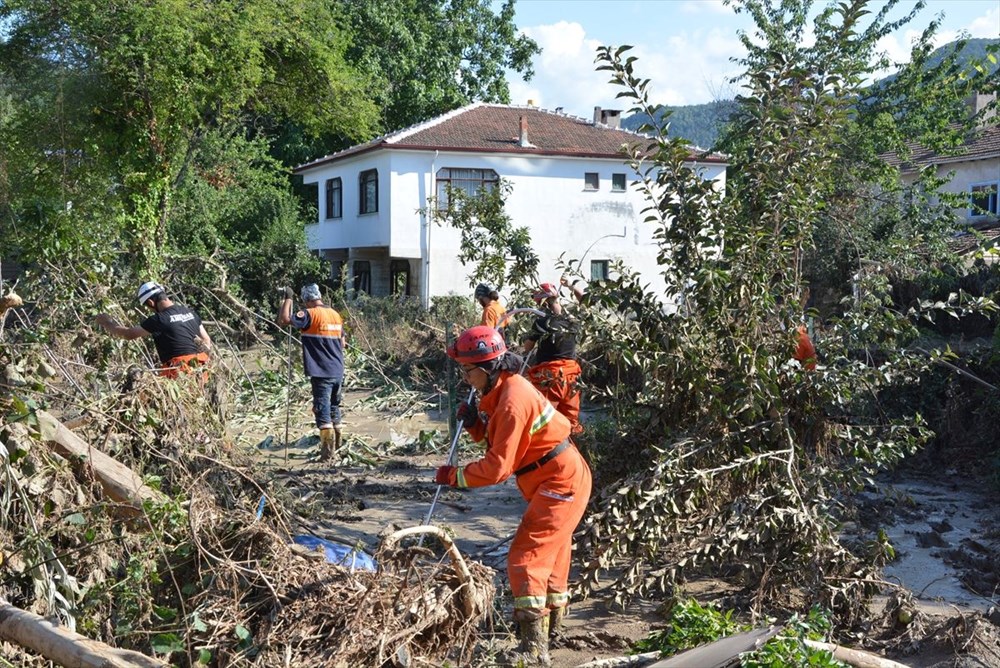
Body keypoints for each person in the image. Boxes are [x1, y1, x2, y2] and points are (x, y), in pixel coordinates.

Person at [435, 326, 592, 666]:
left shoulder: (511, 400)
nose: (464, 377)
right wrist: (477, 423)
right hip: (555, 477)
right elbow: (504, 442)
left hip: (559, 481)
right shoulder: (503, 390)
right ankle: (551, 630)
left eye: (467, 370)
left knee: (526, 556)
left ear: (488, 367)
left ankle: (534, 647)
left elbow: (497, 468)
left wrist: (455, 476)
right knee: (551, 558)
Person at [277, 283, 346, 462]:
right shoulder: (335, 315)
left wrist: (288, 298)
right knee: (334, 408)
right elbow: (343, 343)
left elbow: (284, 320)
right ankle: (339, 447)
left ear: (307, 300)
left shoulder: (309, 314)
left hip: (321, 372)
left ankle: (327, 455)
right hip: (338, 371)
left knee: (322, 411)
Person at [95, 281, 211, 379]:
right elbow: (206, 340)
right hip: (201, 369)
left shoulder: (159, 319)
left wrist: (107, 322)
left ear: (151, 302)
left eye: (148, 306)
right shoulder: (190, 312)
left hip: (179, 372)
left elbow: (129, 334)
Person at [523, 282, 583, 434]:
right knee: (570, 422)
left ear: (543, 303)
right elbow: (586, 301)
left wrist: (531, 336)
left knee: (542, 421)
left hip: (551, 376)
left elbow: (528, 347)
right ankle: (570, 452)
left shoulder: (542, 322)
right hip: (572, 376)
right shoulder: (572, 320)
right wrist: (571, 285)